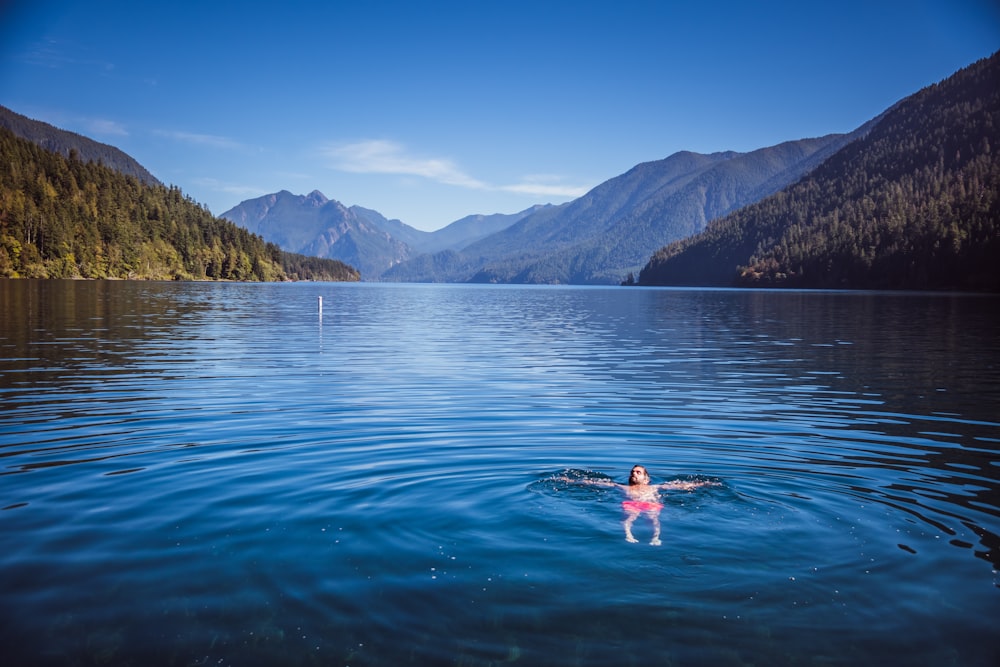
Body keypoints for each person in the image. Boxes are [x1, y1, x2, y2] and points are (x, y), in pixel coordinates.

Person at [557, 465, 716, 545]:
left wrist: (703, 484)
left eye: (638, 472)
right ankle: (629, 535)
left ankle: (655, 538)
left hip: (650, 504)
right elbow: (594, 483)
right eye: (633, 472)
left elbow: (679, 486)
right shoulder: (622, 487)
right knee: (628, 520)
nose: (634, 473)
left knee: (654, 520)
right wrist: (571, 481)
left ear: (646, 478)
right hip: (631, 503)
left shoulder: (655, 487)